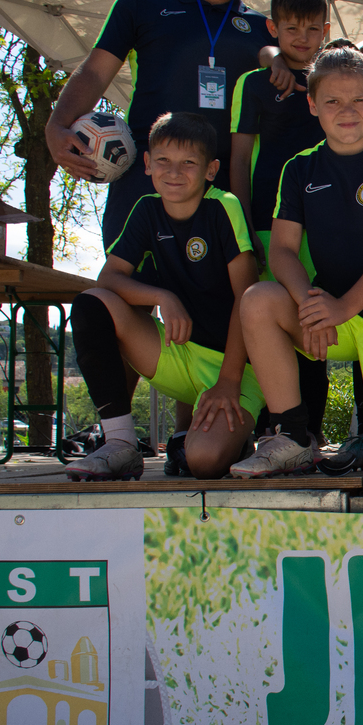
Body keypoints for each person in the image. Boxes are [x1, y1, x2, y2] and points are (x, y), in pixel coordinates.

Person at [231, 47, 363, 477]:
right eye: (333, 100)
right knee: (258, 299)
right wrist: (309, 304)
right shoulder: (298, 168)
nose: (347, 111)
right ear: (313, 105)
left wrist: (342, 307)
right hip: (327, 319)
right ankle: (294, 436)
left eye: (358, 99)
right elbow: (282, 250)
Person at [46, 0, 273, 248]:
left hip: (222, 190)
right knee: (124, 282)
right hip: (144, 180)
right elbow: (94, 72)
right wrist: (56, 126)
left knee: (223, 287)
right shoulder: (141, 3)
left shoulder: (263, 30)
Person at [63, 112, 264, 482]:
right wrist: (162, 296)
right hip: (175, 354)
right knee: (92, 303)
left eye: (188, 163)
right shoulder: (146, 209)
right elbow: (109, 278)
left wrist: (228, 381)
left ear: (211, 169)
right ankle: (121, 443)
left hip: (233, 366)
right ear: (147, 164)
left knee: (204, 462)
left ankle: (237, 439)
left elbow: (247, 298)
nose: (174, 172)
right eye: (163, 161)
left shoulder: (223, 206)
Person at [228, 0, 345, 463]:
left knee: (312, 320)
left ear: (326, 31)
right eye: (291, 28)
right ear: (273, 28)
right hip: (264, 225)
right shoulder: (255, 84)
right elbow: (238, 159)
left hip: (323, 225)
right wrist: (241, 227)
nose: (302, 37)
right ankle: (272, 428)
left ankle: (310, 434)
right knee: (264, 320)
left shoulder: (331, 83)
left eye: (312, 28)